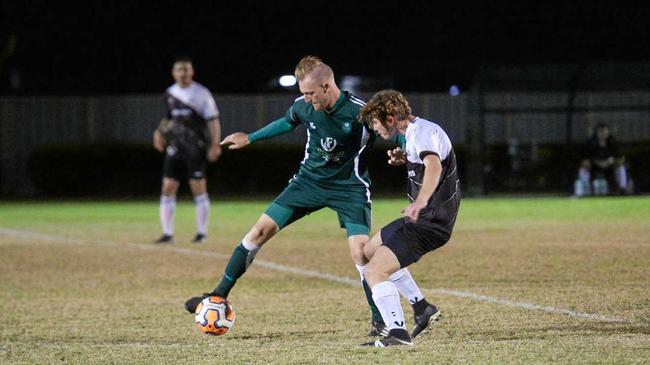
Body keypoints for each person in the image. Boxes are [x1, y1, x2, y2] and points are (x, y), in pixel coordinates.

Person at [184, 56, 428, 337]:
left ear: (326, 86)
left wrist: (408, 151)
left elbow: (397, 134)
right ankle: (217, 296)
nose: (306, 99)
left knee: (361, 253)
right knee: (258, 232)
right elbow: (286, 122)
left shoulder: (360, 112)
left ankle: (381, 321)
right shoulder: (304, 107)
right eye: (303, 94)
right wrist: (251, 137)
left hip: (349, 188)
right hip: (307, 183)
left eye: (310, 93)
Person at [358, 89, 461, 347]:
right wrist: (404, 158)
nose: (375, 129)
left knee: (374, 271)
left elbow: (435, 165)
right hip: (421, 219)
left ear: (390, 118)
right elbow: (425, 161)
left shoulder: (423, 131)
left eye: (375, 123)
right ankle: (422, 307)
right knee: (368, 251)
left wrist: (422, 201)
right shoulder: (412, 134)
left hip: (430, 223)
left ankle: (398, 333)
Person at [153, 56, 222, 244]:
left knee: (198, 188)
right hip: (175, 147)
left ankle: (201, 233)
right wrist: (158, 133)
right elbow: (168, 118)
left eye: (186, 69)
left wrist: (215, 144)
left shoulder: (201, 93)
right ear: (173, 73)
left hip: (195, 147)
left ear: (192, 72)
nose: (183, 73)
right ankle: (167, 233)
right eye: (179, 70)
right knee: (167, 187)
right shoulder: (170, 93)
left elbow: (213, 119)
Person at [574, 123, 631, 196]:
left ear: (608, 132)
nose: (603, 133)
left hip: (610, 166)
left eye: (605, 131)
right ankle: (584, 189)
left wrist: (612, 161)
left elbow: (621, 158)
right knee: (584, 167)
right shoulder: (590, 143)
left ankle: (622, 189)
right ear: (597, 133)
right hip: (594, 166)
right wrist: (597, 162)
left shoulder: (612, 142)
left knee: (621, 167)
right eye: (601, 131)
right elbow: (586, 158)